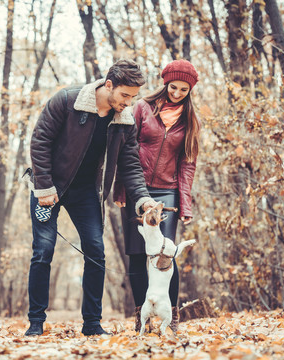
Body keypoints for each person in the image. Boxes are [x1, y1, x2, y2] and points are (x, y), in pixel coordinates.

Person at [24, 60, 158, 336]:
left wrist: (142, 198)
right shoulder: (67, 100)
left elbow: (130, 164)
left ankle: (92, 324)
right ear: (108, 85)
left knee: (96, 251)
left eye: (133, 97)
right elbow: (40, 141)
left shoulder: (124, 121)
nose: (128, 103)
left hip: (86, 191)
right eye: (124, 95)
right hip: (48, 188)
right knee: (43, 251)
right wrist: (46, 187)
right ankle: (36, 323)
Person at [113, 59, 200, 334]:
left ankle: (170, 316)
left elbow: (188, 163)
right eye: (173, 87)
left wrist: (184, 202)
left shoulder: (190, 120)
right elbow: (126, 151)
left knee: (165, 255)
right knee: (138, 254)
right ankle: (142, 316)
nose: (176, 93)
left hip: (168, 192)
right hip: (136, 189)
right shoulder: (142, 108)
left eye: (183, 90)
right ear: (166, 83)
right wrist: (121, 188)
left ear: (190, 90)